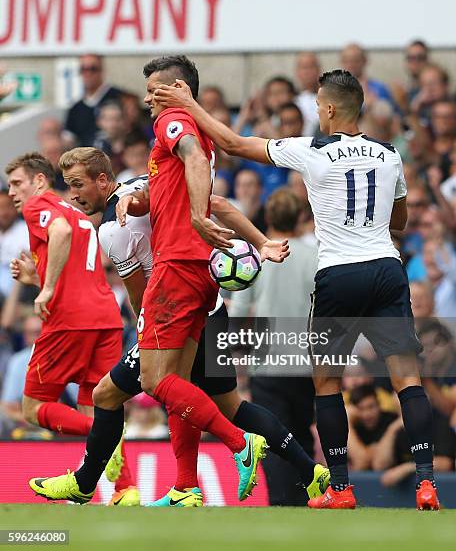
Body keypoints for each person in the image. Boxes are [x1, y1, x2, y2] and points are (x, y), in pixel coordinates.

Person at [154, 67, 440, 511]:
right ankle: (427, 485)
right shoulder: (388, 154)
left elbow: (232, 144)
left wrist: (189, 106)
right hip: (386, 268)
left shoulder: (312, 151)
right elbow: (398, 221)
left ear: (326, 108)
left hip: (339, 275)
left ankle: (341, 489)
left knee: (327, 383)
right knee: (407, 380)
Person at [29, 141, 327, 506]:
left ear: (103, 180)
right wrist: (260, 241)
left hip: (172, 308)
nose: (73, 195)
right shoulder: (148, 186)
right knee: (223, 402)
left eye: (77, 184)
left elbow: (139, 294)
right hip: (211, 303)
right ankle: (306, 472)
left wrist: (145, 336)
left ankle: (89, 480)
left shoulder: (112, 228)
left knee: (109, 394)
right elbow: (214, 205)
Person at [5, 152, 134, 505]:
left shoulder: (39, 207)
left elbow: (58, 233)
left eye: (18, 183)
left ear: (40, 181)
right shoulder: (76, 211)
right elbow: (75, 263)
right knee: (99, 404)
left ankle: (103, 437)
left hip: (70, 320)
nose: (13, 192)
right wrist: (37, 277)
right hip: (106, 316)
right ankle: (126, 490)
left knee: (33, 407)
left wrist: (45, 289)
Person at [230, 187, 318, 505]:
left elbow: (239, 311)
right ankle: (311, 496)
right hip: (305, 361)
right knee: (303, 432)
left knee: (275, 435)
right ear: (300, 218)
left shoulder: (257, 256)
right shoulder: (314, 255)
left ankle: (282, 501)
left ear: (268, 217)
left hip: (267, 362)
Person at [64, 54, 123, 146]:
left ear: (102, 71)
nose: (87, 74)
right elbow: (68, 141)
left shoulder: (121, 98)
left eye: (93, 69)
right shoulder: (75, 108)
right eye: (83, 69)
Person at [0, 190, 29, 299]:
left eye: (8, 207)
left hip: (21, 289)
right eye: (0, 208)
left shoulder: (25, 230)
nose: (4, 213)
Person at [294, 51, 321, 136]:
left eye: (311, 67)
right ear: (297, 72)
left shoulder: (329, 99)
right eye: (304, 68)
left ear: (319, 70)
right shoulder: (291, 100)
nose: (307, 72)